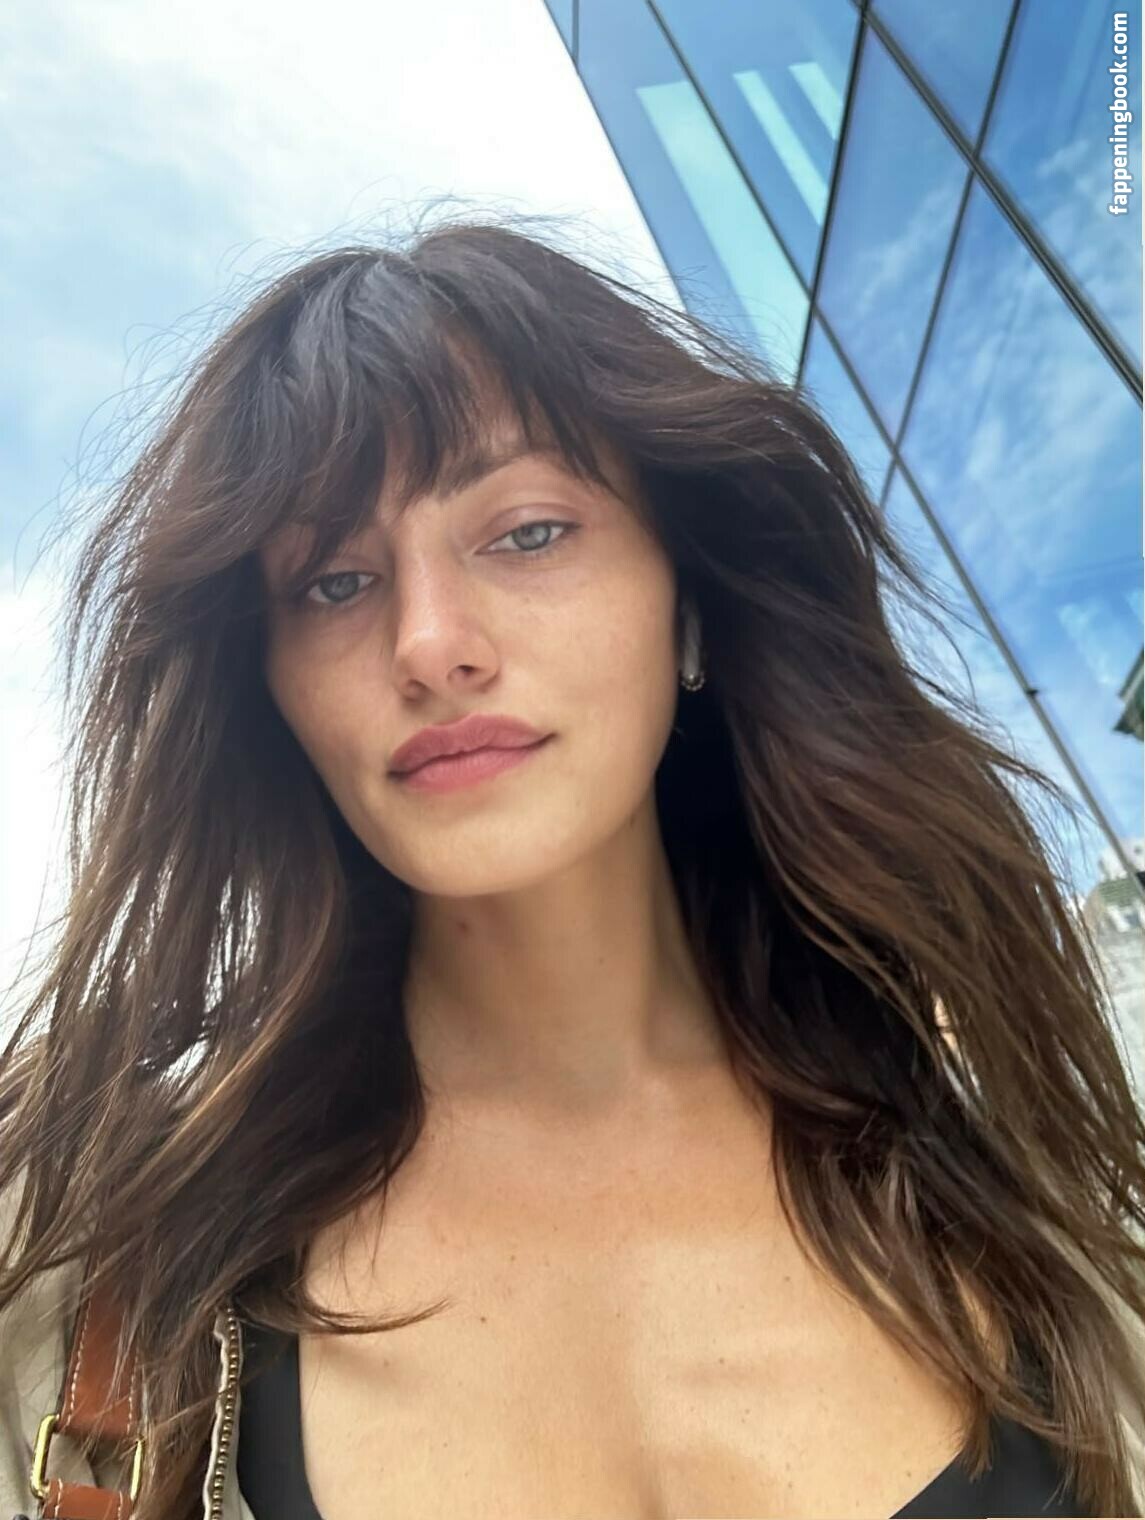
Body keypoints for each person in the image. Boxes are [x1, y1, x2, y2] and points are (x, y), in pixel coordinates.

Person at [1, 216, 1143, 1520]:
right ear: (270, 691)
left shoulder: (1014, 1153)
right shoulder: (85, 1253)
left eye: (529, 532)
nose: (430, 643)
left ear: (688, 599)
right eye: (333, 583)